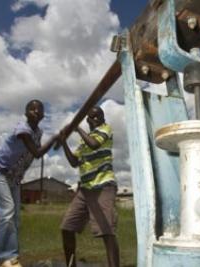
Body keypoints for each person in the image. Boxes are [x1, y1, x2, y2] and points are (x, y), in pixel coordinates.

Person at [0, 99, 57, 267]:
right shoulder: (22, 129)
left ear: (43, 115)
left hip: (14, 178)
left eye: (39, 110)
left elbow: (37, 151)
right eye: (32, 109)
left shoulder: (38, 132)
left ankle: (0, 260)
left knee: (14, 218)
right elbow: (37, 152)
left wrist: (57, 140)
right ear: (26, 113)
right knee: (7, 212)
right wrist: (54, 138)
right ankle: (9, 258)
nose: (36, 112)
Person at [59, 106, 120, 267]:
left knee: (107, 231)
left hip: (103, 186)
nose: (94, 119)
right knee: (67, 227)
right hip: (85, 190)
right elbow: (74, 162)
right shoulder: (83, 141)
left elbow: (94, 144)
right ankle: (70, 265)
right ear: (87, 120)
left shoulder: (105, 129)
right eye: (91, 117)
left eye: (98, 117)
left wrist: (76, 128)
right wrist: (64, 141)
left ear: (103, 119)